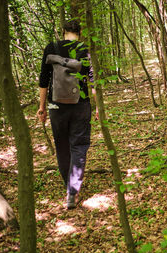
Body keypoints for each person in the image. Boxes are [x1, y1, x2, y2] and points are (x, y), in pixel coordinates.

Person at [37, 20, 97, 209]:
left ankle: (68, 186)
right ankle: (73, 191)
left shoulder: (51, 48)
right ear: (80, 32)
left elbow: (43, 79)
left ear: (63, 32)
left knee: (62, 146)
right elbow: (92, 79)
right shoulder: (84, 49)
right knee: (78, 146)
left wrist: (42, 107)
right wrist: (98, 108)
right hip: (81, 104)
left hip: (56, 106)